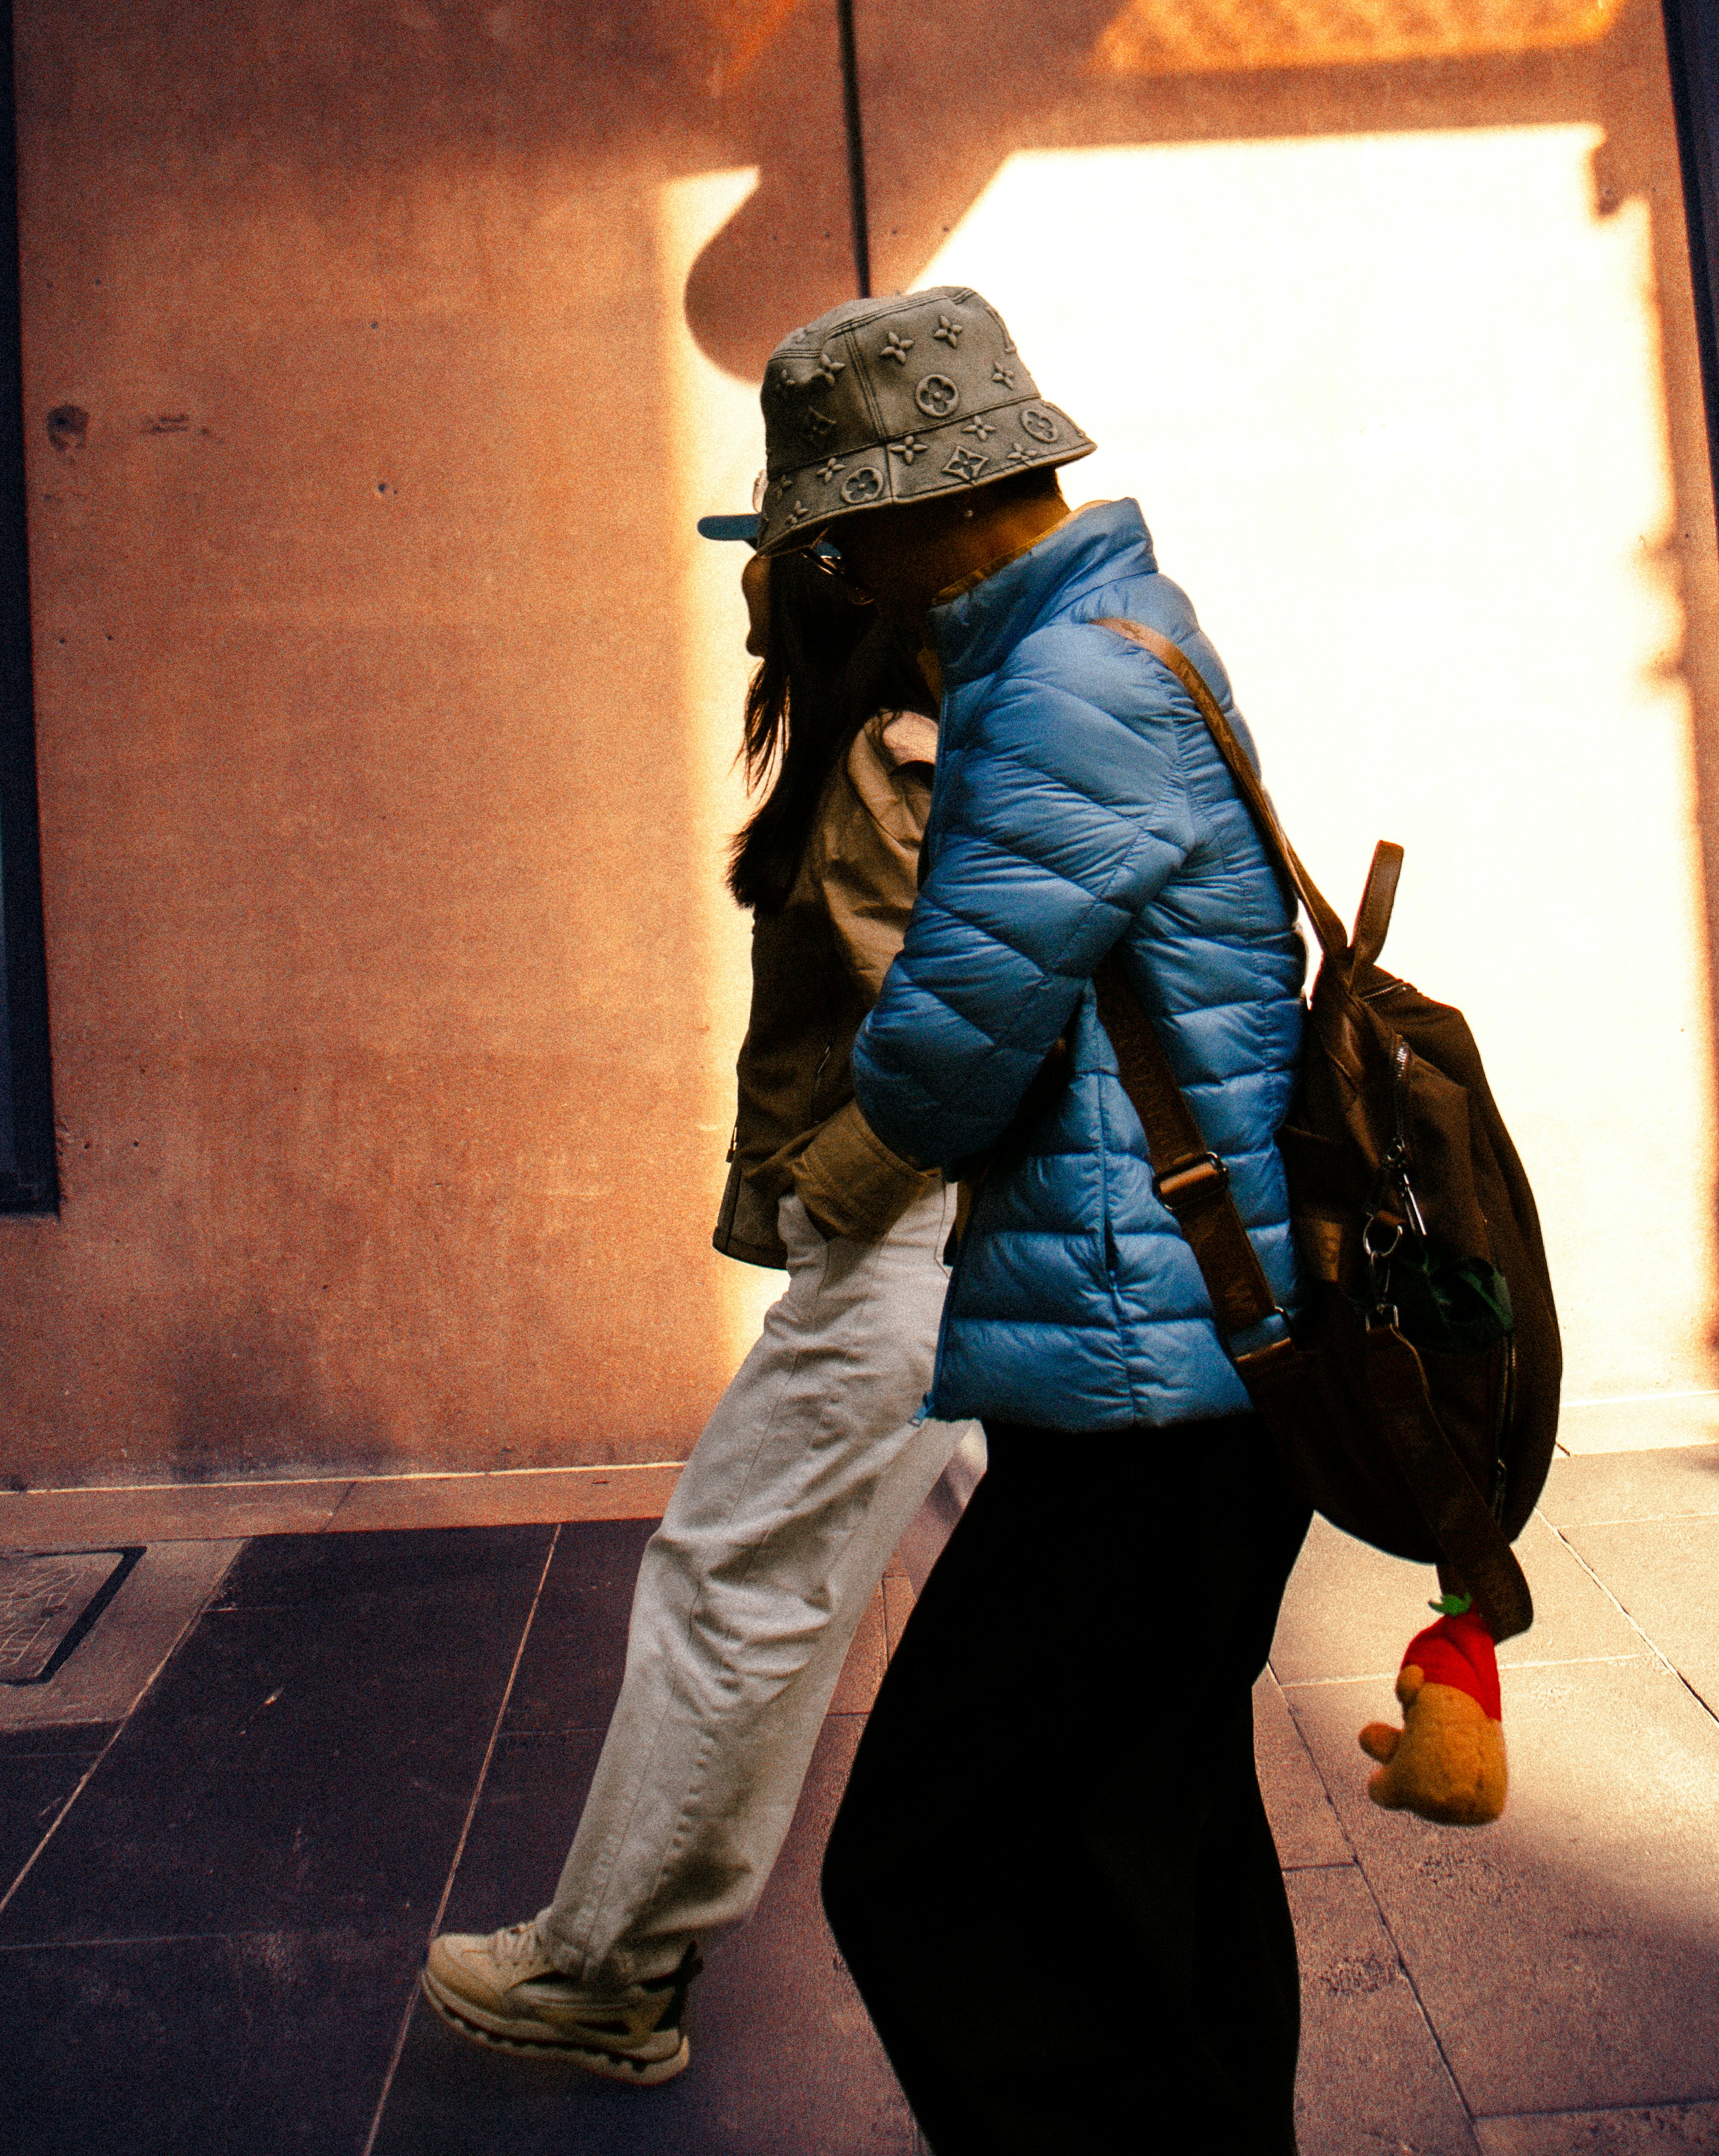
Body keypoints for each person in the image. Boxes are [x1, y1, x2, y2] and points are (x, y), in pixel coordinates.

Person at [748, 282, 1313, 2156]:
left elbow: (938, 1066)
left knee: (925, 1861)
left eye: (851, 534)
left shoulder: (1057, 687)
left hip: (1138, 1383)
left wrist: (890, 1059)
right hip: (1194, 1350)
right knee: (1154, 1832)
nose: (855, 577)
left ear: (921, 506)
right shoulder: (1126, 627)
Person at [421, 534, 964, 2084]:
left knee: (737, 1576)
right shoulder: (919, 728)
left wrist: (836, 1191)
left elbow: (951, 1045)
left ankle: (604, 1971)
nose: (741, 591)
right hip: (948, 1252)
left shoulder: (885, 751)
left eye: (766, 557)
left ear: (838, 587)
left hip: (911, 1252)